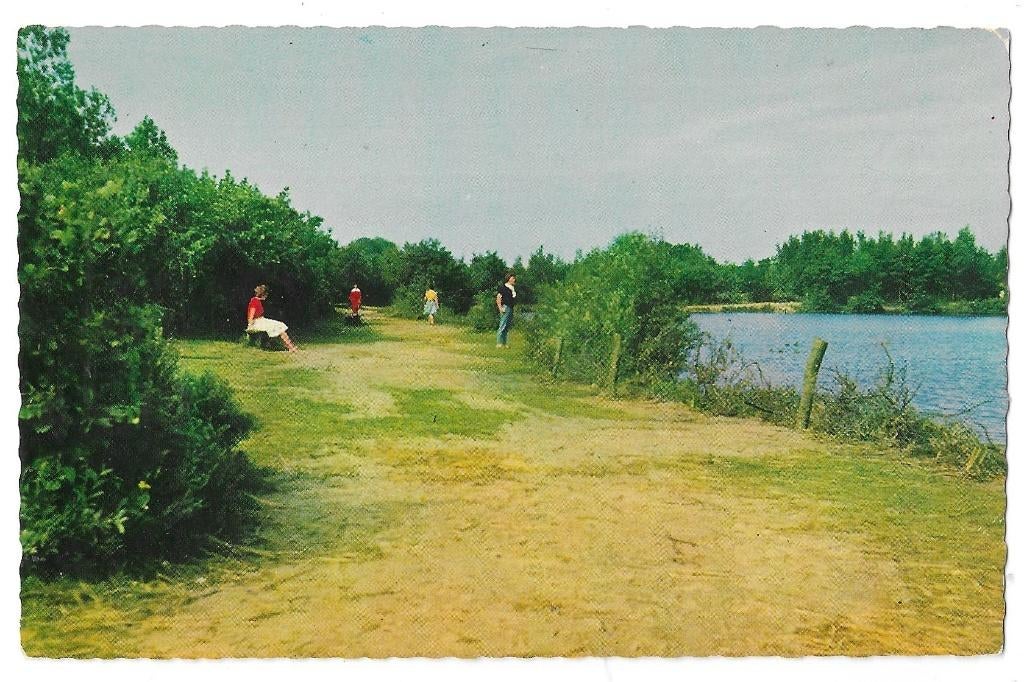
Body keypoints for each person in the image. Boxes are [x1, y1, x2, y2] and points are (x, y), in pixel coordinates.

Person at [246, 284, 298, 352]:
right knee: (278, 326)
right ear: (263, 294)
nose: (266, 296)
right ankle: (290, 347)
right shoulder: (254, 301)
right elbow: (251, 316)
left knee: (279, 325)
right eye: (266, 294)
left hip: (261, 321)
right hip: (257, 323)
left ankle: (290, 346)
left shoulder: (257, 301)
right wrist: (250, 326)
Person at [495, 272, 516, 348]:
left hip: (510, 308)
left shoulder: (512, 288)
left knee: (507, 326)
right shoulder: (503, 287)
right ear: (509, 279)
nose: (514, 279)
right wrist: (500, 308)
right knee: (502, 325)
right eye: (513, 278)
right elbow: (498, 298)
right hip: (505, 307)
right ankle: (499, 343)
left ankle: (504, 343)